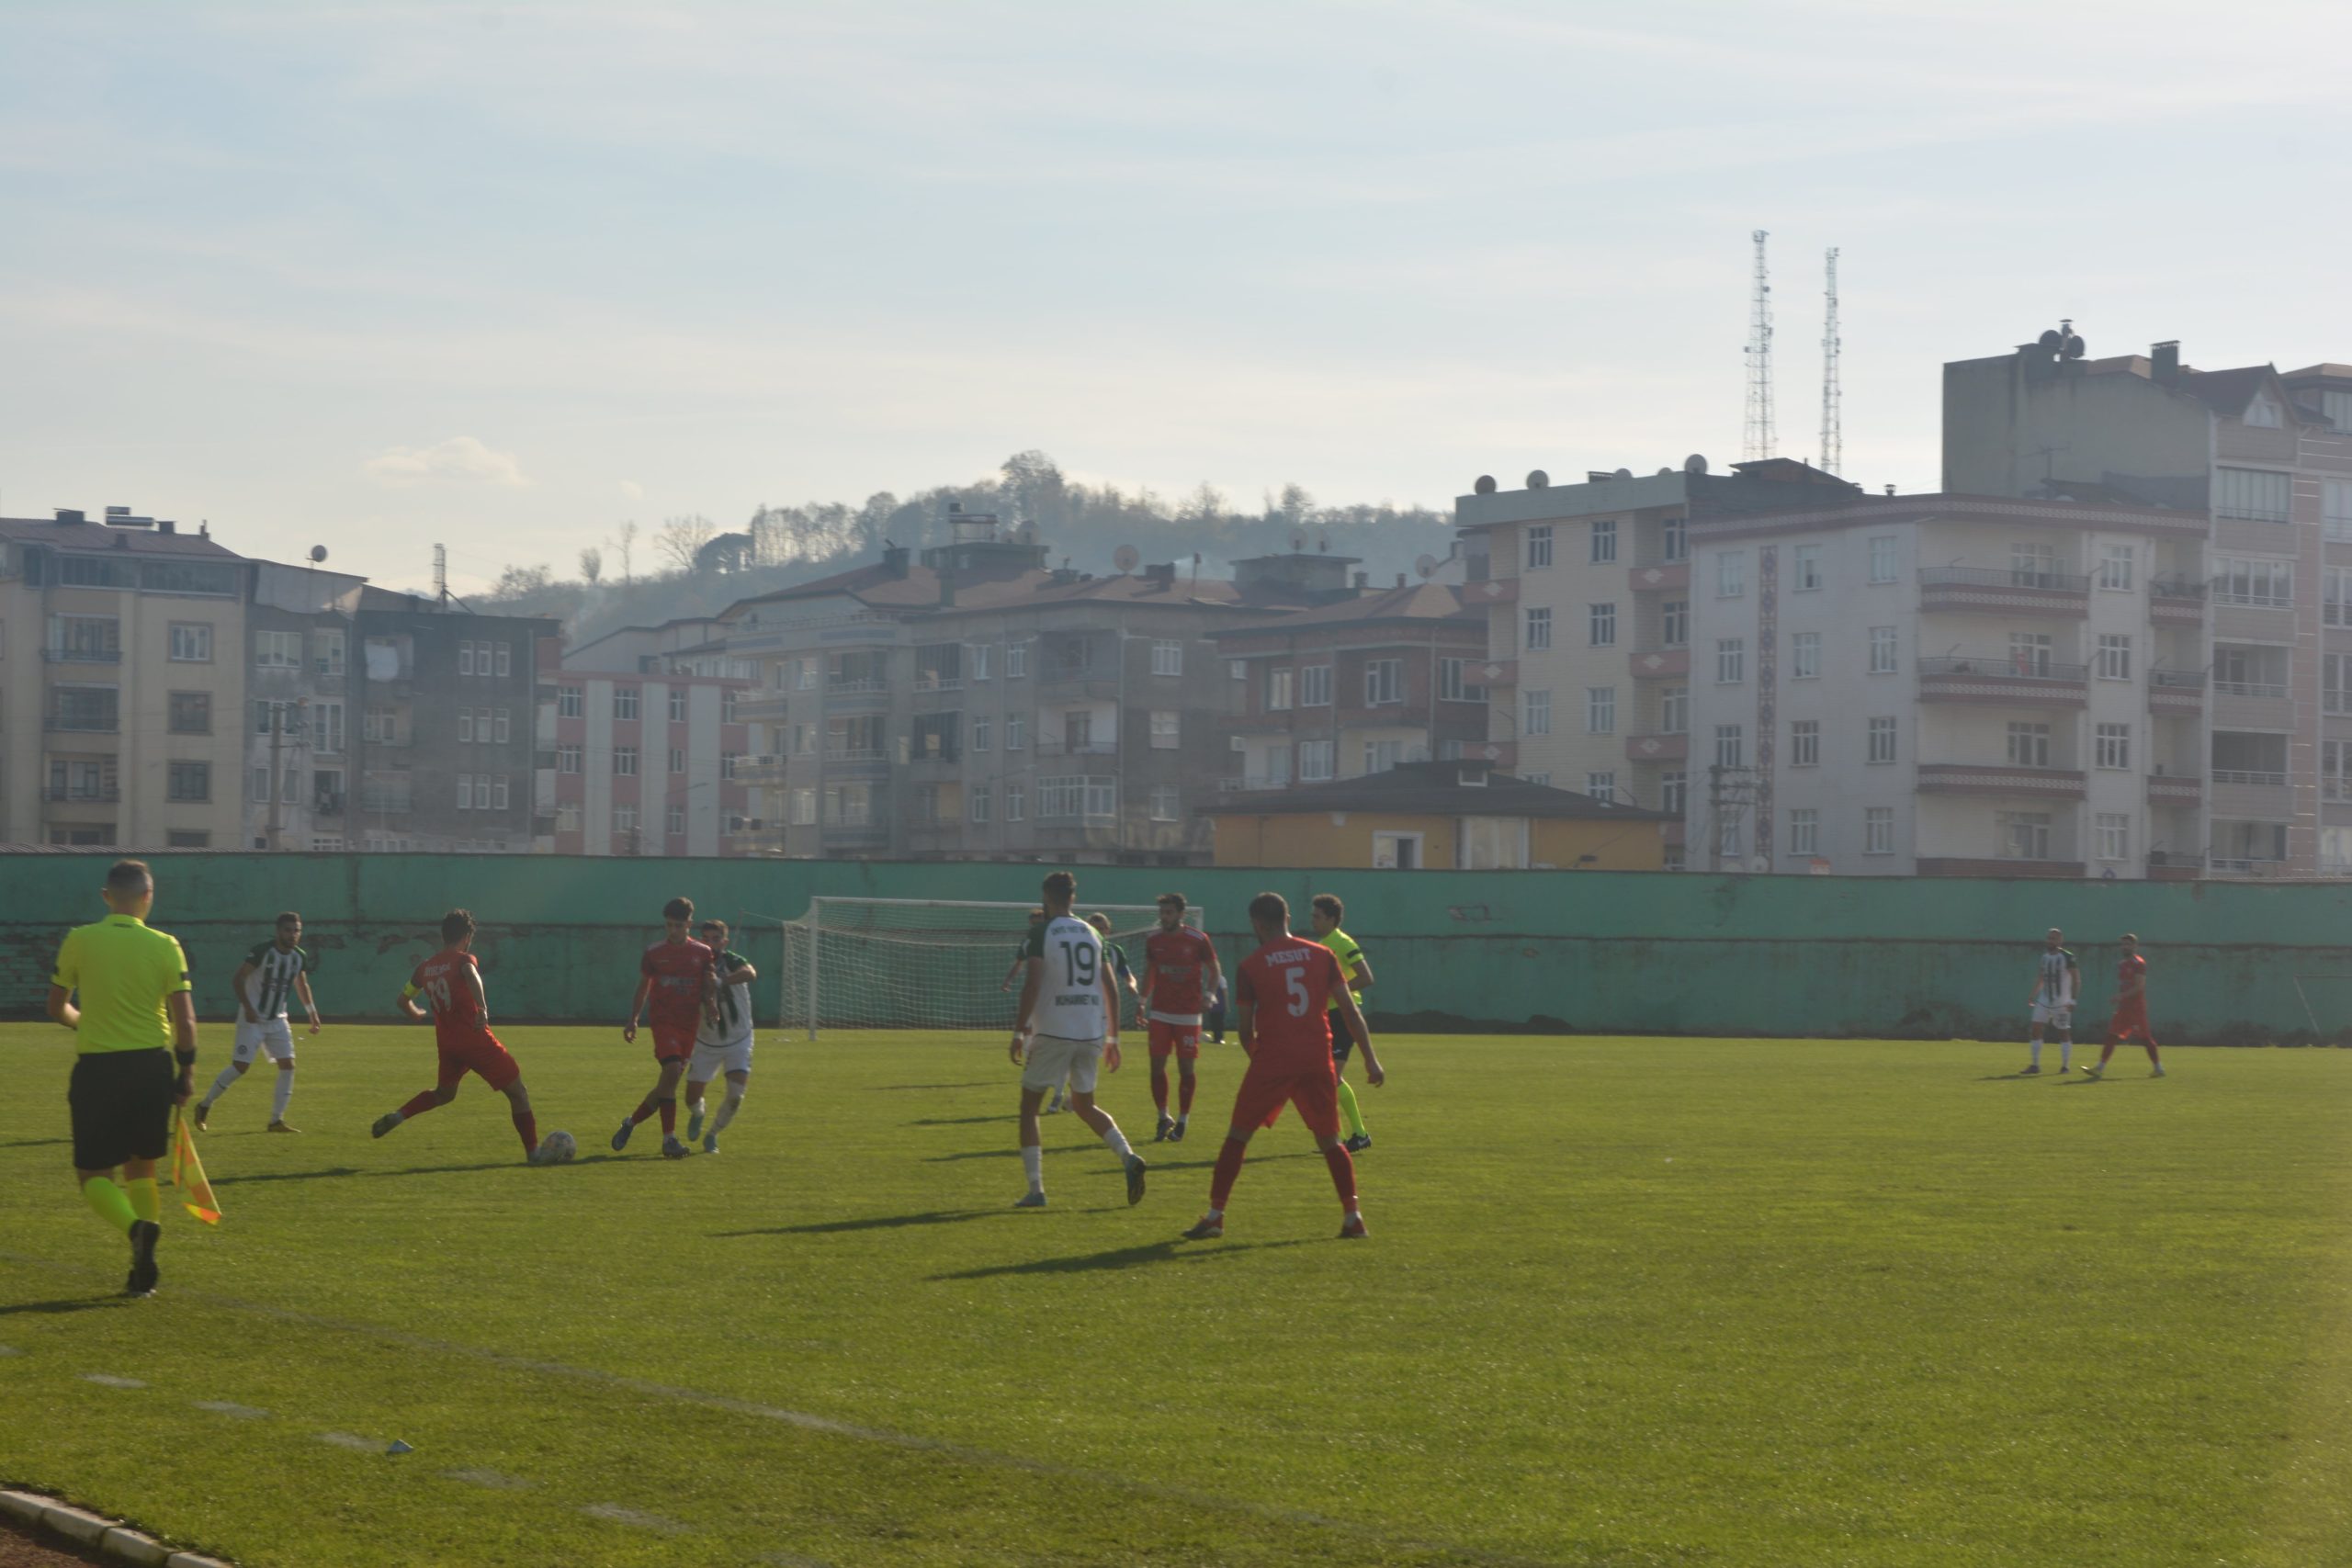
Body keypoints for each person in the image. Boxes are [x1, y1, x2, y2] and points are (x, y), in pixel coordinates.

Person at [1182, 891, 1383, 1242]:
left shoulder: (1251, 965)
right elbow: (1350, 1013)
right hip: (1316, 1058)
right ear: (1288, 919)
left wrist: (1260, 1063)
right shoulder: (1323, 955)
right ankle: (1353, 1217)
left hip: (1274, 1059)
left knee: (1238, 1135)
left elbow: (1245, 1031)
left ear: (1258, 924)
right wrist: (1370, 1059)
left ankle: (1215, 1215)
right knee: (1331, 1140)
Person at [46, 859, 198, 1298]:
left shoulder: (80, 940)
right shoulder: (166, 944)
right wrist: (186, 1070)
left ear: (106, 897)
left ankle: (136, 1230)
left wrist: (85, 1022)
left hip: (98, 1068)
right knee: (142, 1166)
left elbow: (57, 1008)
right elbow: (185, 1021)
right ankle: (141, 1265)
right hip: (151, 1066)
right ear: (149, 897)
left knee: (92, 1174)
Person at [1008, 872, 1147, 1209]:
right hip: (1090, 1031)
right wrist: (1114, 1038)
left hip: (1055, 1029)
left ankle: (1036, 1190)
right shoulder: (1094, 932)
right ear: (1073, 897)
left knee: (1029, 1108)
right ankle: (1128, 1157)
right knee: (1084, 1105)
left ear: (1047, 896)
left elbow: (1033, 984)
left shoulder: (1042, 932)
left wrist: (1018, 1030)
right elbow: (1111, 988)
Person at [373, 908, 551, 1160]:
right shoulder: (463, 960)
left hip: (448, 1046)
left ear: (444, 935)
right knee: (518, 1093)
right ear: (467, 936)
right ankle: (534, 1153)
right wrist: (482, 1009)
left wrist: (414, 1012)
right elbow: (471, 975)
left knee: (444, 1094)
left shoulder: (425, 968)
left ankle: (399, 1115)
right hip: (476, 1041)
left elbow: (402, 1000)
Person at [194, 910, 322, 1132]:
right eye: (288, 930)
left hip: (278, 1020)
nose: (293, 935)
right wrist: (249, 1008)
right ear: (278, 931)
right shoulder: (262, 952)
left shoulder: (298, 956)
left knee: (288, 1066)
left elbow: (301, 984)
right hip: (252, 1019)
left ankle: (276, 1121)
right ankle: (204, 1105)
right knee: (240, 1067)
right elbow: (238, 979)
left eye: (296, 931)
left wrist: (312, 1012)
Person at [614, 897, 719, 1159]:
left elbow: (707, 984)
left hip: (689, 1026)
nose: (672, 930)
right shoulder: (654, 952)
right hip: (663, 1024)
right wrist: (634, 1019)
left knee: (666, 1085)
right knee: (671, 1071)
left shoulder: (703, 953)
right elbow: (644, 985)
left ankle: (630, 1123)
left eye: (677, 925)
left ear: (689, 924)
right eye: (669, 925)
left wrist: (711, 1004)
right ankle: (669, 1140)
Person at [1136, 892, 1222, 1142]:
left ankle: (1183, 1119)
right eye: (1162, 912)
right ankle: (1163, 1117)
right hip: (1161, 1011)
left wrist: (1208, 995)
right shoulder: (1153, 940)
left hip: (1188, 1013)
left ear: (1181, 915)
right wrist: (1142, 1001)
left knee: (1186, 1068)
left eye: (1169, 912)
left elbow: (1215, 970)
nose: (1164, 917)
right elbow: (1150, 971)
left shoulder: (1197, 939)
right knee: (1156, 1066)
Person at [1308, 894, 1376, 1153]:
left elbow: (1366, 977)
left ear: (1331, 919)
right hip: (1329, 1016)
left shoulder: (1342, 942)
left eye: (1317, 916)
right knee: (1328, 1078)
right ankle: (1355, 1135)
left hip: (1344, 1016)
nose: (1312, 920)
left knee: (1330, 1078)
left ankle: (1349, 1136)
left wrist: (1339, 991)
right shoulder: (1324, 944)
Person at [684, 918, 758, 1155]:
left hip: (740, 1039)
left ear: (724, 942)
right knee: (691, 1098)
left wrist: (720, 981)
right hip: (707, 1042)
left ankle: (712, 1135)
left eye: (716, 939)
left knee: (736, 1095)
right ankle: (698, 1113)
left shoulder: (733, 960)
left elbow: (750, 973)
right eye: (705, 939)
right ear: (699, 940)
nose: (711, 944)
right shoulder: (693, 965)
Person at [2085, 933, 2165, 1079]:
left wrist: (2121, 996)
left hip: (2136, 1008)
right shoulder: (2121, 964)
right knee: (2111, 1035)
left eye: (2128, 944)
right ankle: (2099, 1068)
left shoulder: (2139, 963)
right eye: (2123, 944)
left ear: (2135, 946)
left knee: (2145, 1038)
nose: (2125, 947)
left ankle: (2158, 1068)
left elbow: (2139, 987)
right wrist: (2121, 999)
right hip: (2124, 1008)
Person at [2022, 927, 2079, 1075]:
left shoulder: (2068, 957)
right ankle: (2035, 1065)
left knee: (2063, 1032)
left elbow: (2076, 979)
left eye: (2053, 938)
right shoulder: (2045, 957)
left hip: (2061, 1002)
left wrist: (2073, 1000)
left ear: (2060, 941)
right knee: (2035, 1028)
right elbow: (2041, 978)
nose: (2050, 941)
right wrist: (2033, 994)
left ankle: (2065, 1066)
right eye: (2048, 938)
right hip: (2043, 1000)